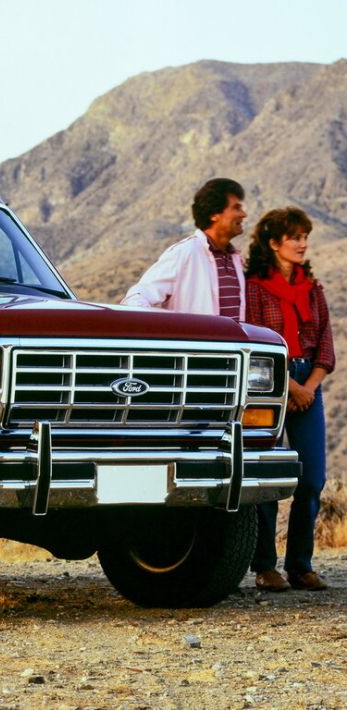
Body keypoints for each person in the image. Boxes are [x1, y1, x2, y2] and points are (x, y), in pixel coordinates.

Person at [245, 207, 335, 592]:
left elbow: (326, 347)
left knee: (312, 478)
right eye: (295, 237)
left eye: (305, 236)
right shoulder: (253, 288)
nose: (303, 243)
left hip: (307, 386)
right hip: (267, 384)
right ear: (273, 243)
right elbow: (248, 342)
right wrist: (288, 385)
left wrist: (309, 386)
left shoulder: (313, 290)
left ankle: (301, 565)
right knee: (266, 476)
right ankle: (265, 566)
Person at [122, 178, 247, 320]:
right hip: (195, 342)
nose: (243, 214)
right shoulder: (185, 253)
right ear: (214, 215)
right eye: (236, 208)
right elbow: (137, 297)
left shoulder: (234, 259)